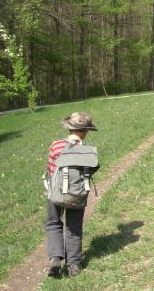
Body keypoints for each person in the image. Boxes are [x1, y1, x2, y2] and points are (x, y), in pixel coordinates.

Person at [45, 112, 98, 278]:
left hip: (55, 195)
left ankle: (55, 258)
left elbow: (51, 169)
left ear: (69, 128)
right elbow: (93, 169)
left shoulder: (56, 146)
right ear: (86, 131)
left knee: (54, 224)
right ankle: (73, 265)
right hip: (76, 196)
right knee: (74, 228)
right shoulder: (86, 151)